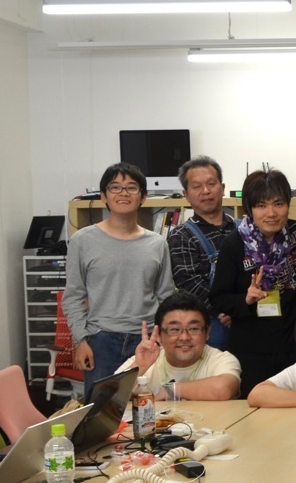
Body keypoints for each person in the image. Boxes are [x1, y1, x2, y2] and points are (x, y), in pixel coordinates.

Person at [64, 162, 174, 391]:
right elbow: (73, 296)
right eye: (115, 187)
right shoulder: (82, 241)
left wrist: (162, 335)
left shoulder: (157, 243)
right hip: (101, 340)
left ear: (143, 197)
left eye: (131, 188)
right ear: (104, 196)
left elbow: (166, 296)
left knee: (151, 403)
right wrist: (81, 340)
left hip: (147, 339)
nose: (123, 193)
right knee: (102, 408)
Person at [210, 169, 296, 397]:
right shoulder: (234, 244)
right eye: (261, 205)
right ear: (249, 208)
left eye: (278, 204)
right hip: (250, 347)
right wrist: (246, 299)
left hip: (290, 344)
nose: (271, 213)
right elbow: (218, 298)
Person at [115, 291, 240, 401]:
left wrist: (173, 390)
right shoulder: (144, 360)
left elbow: (224, 388)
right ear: (158, 335)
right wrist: (140, 367)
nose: (184, 337)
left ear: (207, 332)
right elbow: (108, 397)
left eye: (193, 329)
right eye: (174, 330)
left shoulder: (221, 359)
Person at [166, 156, 236, 350]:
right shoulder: (181, 235)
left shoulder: (243, 229)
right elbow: (188, 282)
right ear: (186, 194)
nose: (206, 191)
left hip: (246, 317)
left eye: (211, 184)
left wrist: (241, 307)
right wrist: (224, 310)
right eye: (197, 186)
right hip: (213, 324)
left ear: (222, 188)